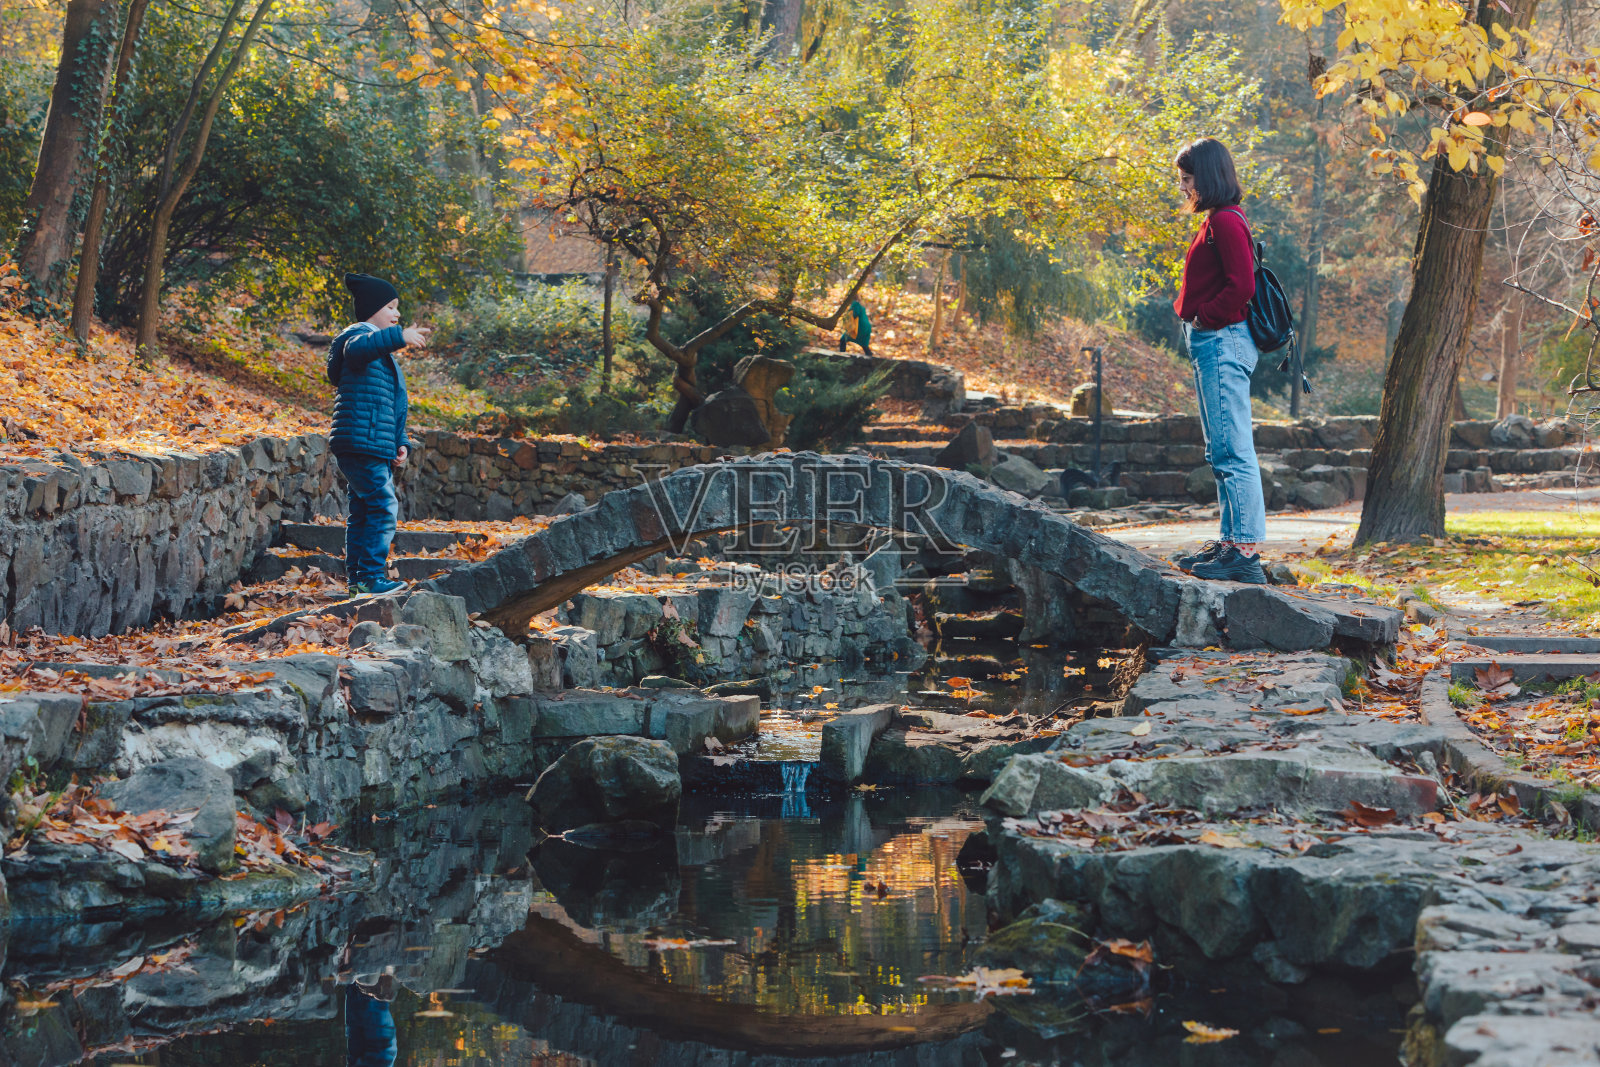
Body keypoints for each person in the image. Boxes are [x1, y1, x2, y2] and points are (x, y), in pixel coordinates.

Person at [1171, 138, 1267, 585]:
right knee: (1220, 448)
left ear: (1207, 177)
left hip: (1222, 340)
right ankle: (1231, 543)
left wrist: (1205, 320)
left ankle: (1244, 553)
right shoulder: (1218, 220)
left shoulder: (1226, 222)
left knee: (1233, 450)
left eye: (1187, 179)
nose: (1184, 187)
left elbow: (1242, 287)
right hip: (1215, 340)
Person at [328, 272, 431, 596]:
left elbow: (392, 406)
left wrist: (399, 442)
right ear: (373, 309)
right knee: (384, 505)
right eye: (391, 306)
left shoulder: (381, 357)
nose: (397, 314)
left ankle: (359, 580)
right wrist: (400, 336)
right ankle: (371, 577)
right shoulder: (356, 337)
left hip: (371, 443)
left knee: (363, 511)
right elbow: (360, 349)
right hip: (359, 441)